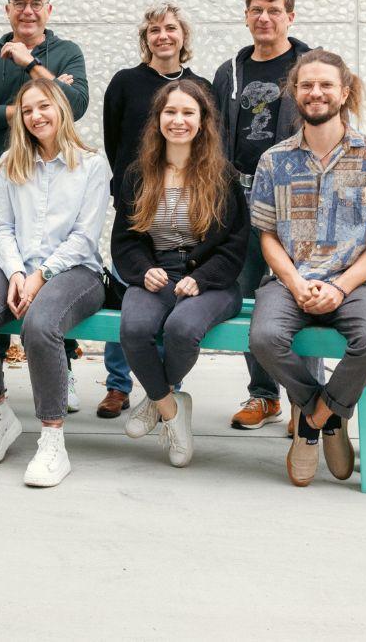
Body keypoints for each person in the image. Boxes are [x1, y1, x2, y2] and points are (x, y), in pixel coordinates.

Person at [247, 51, 366, 487]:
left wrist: (339, 288)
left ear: (343, 92)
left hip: (353, 283)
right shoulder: (274, 160)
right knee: (264, 338)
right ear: (294, 93)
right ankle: (330, 412)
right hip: (289, 282)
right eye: (306, 85)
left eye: (325, 85)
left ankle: (314, 421)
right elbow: (267, 236)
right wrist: (295, 281)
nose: (315, 92)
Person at [0, 78, 110, 488]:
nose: (36, 116)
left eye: (44, 107)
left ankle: (52, 439)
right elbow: (0, 227)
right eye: (27, 110)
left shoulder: (91, 163)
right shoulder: (9, 163)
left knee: (40, 325)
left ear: (61, 109)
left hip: (78, 272)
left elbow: (84, 237)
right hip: (17, 267)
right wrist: (18, 272)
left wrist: (41, 275)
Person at [0, 0, 89, 411]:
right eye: (20, 3)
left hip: (55, 178)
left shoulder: (67, 51)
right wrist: (38, 104)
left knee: (56, 289)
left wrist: (30, 63)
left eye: (37, 4)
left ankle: (64, 371)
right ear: (8, 9)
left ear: (48, 10)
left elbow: (77, 104)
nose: (28, 11)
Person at [112, 81, 247, 468]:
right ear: (157, 119)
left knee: (182, 329)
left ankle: (155, 397)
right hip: (157, 273)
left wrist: (201, 279)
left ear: (203, 121)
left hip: (212, 280)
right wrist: (144, 270)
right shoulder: (139, 174)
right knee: (134, 329)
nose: (178, 120)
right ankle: (171, 409)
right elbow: (125, 240)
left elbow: (235, 245)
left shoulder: (223, 176)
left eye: (189, 113)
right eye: (170, 112)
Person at [212, 0, 323, 431]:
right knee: (247, 294)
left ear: (290, 17)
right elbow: (214, 136)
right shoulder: (229, 72)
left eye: (274, 10)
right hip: (239, 197)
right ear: (246, 15)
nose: (264, 18)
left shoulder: (311, 67)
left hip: (295, 199)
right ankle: (264, 395)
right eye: (257, 9)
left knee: (305, 293)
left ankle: (308, 398)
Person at [99, 2, 211, 420]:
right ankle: (116, 384)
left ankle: (164, 385)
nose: (163, 36)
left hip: (185, 205)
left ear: (184, 36)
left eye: (171, 29)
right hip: (135, 205)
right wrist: (127, 190)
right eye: (154, 31)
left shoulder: (199, 86)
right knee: (129, 291)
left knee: (175, 291)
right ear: (145, 39)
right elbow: (114, 143)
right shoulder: (126, 82)